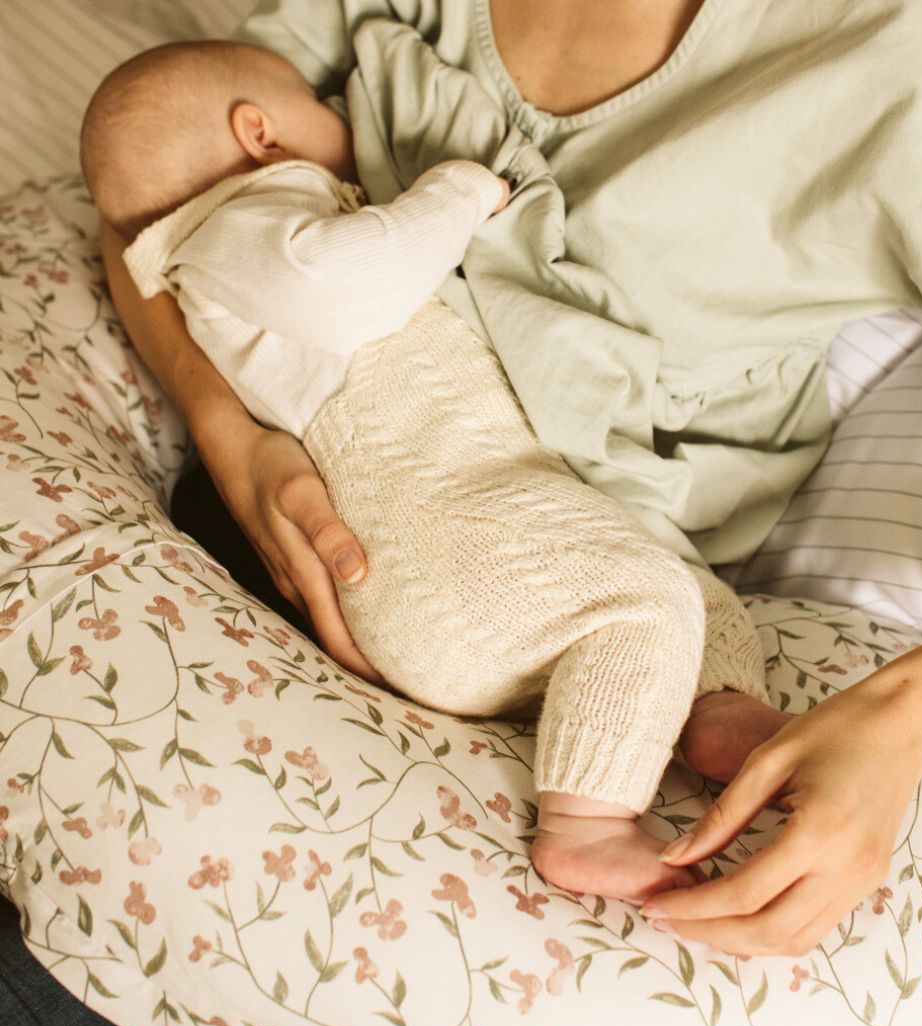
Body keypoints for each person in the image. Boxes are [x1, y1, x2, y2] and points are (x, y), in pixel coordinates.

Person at [95, 0, 922, 961]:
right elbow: (151, 190)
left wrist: (902, 721)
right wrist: (235, 440)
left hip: (588, 637)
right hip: (280, 550)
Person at [80, 38, 775, 904]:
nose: (341, 123)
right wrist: (457, 190)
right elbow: (356, 282)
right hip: (439, 543)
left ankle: (712, 712)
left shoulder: (228, 260)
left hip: (467, 543)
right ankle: (587, 826)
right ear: (258, 132)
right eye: (316, 104)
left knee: (686, 590)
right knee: (640, 602)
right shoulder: (244, 227)